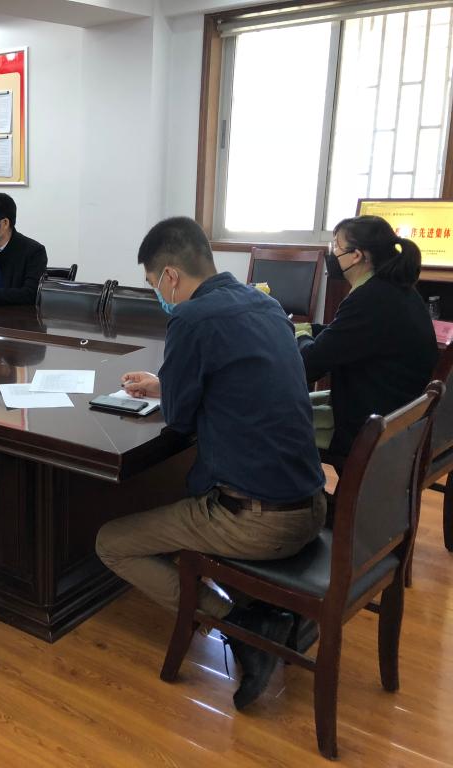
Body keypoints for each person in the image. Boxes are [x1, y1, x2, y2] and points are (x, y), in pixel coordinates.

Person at [94, 217, 326, 710]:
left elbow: (180, 420)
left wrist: (172, 393)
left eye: (153, 284)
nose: (158, 294)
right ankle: (264, 611)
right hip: (311, 504)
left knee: (111, 543)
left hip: (257, 522)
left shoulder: (191, 319)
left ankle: (242, 625)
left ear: (170, 276)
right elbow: (238, 381)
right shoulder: (264, 304)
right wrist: (165, 384)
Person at [297, 216, 437, 464]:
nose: (332, 253)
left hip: (369, 427)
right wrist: (308, 329)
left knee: (269, 419)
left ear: (357, 255)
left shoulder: (369, 299)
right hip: (397, 416)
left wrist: (300, 335)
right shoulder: (395, 289)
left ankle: (293, 488)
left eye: (336, 246)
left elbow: (309, 365)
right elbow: (347, 335)